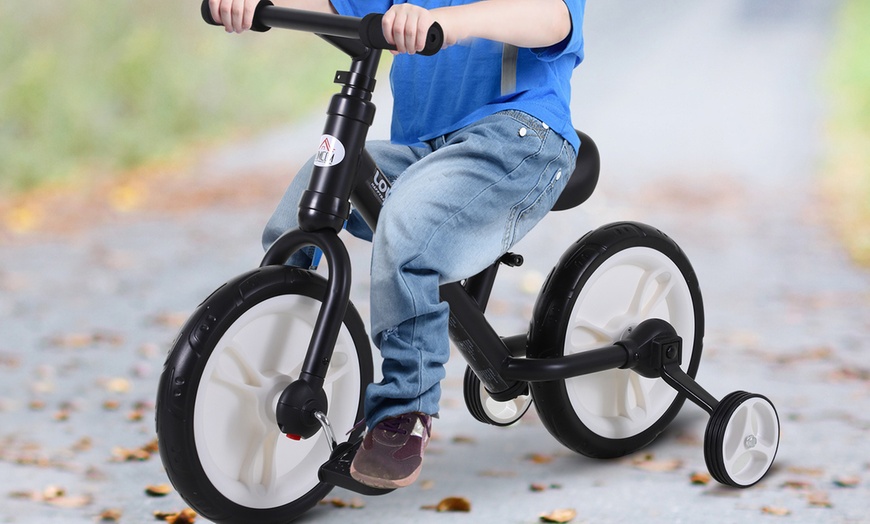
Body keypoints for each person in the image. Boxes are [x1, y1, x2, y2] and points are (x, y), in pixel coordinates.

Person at [209, 0, 586, 490]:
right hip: (425, 148)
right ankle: (274, 339)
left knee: (409, 223)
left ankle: (405, 410)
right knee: (316, 184)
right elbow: (338, 7)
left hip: (518, 139)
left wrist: (451, 24)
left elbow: (552, 18)